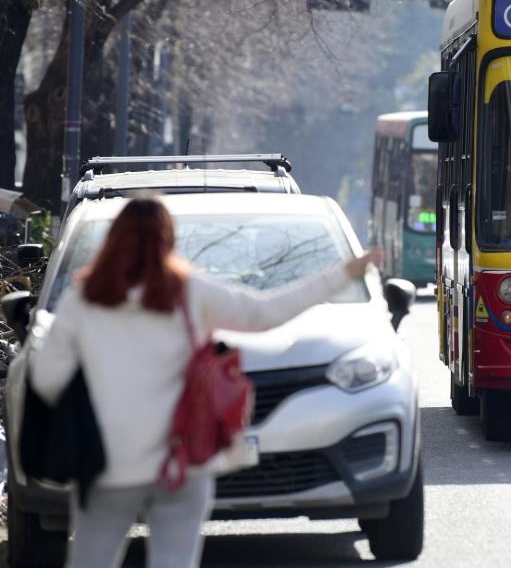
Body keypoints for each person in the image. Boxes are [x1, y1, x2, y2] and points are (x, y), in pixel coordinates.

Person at [28, 197, 378, 568]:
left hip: (105, 463)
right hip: (182, 459)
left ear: (113, 240)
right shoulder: (189, 292)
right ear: (168, 240)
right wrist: (341, 274)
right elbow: (264, 313)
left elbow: (47, 379)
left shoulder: (83, 299)